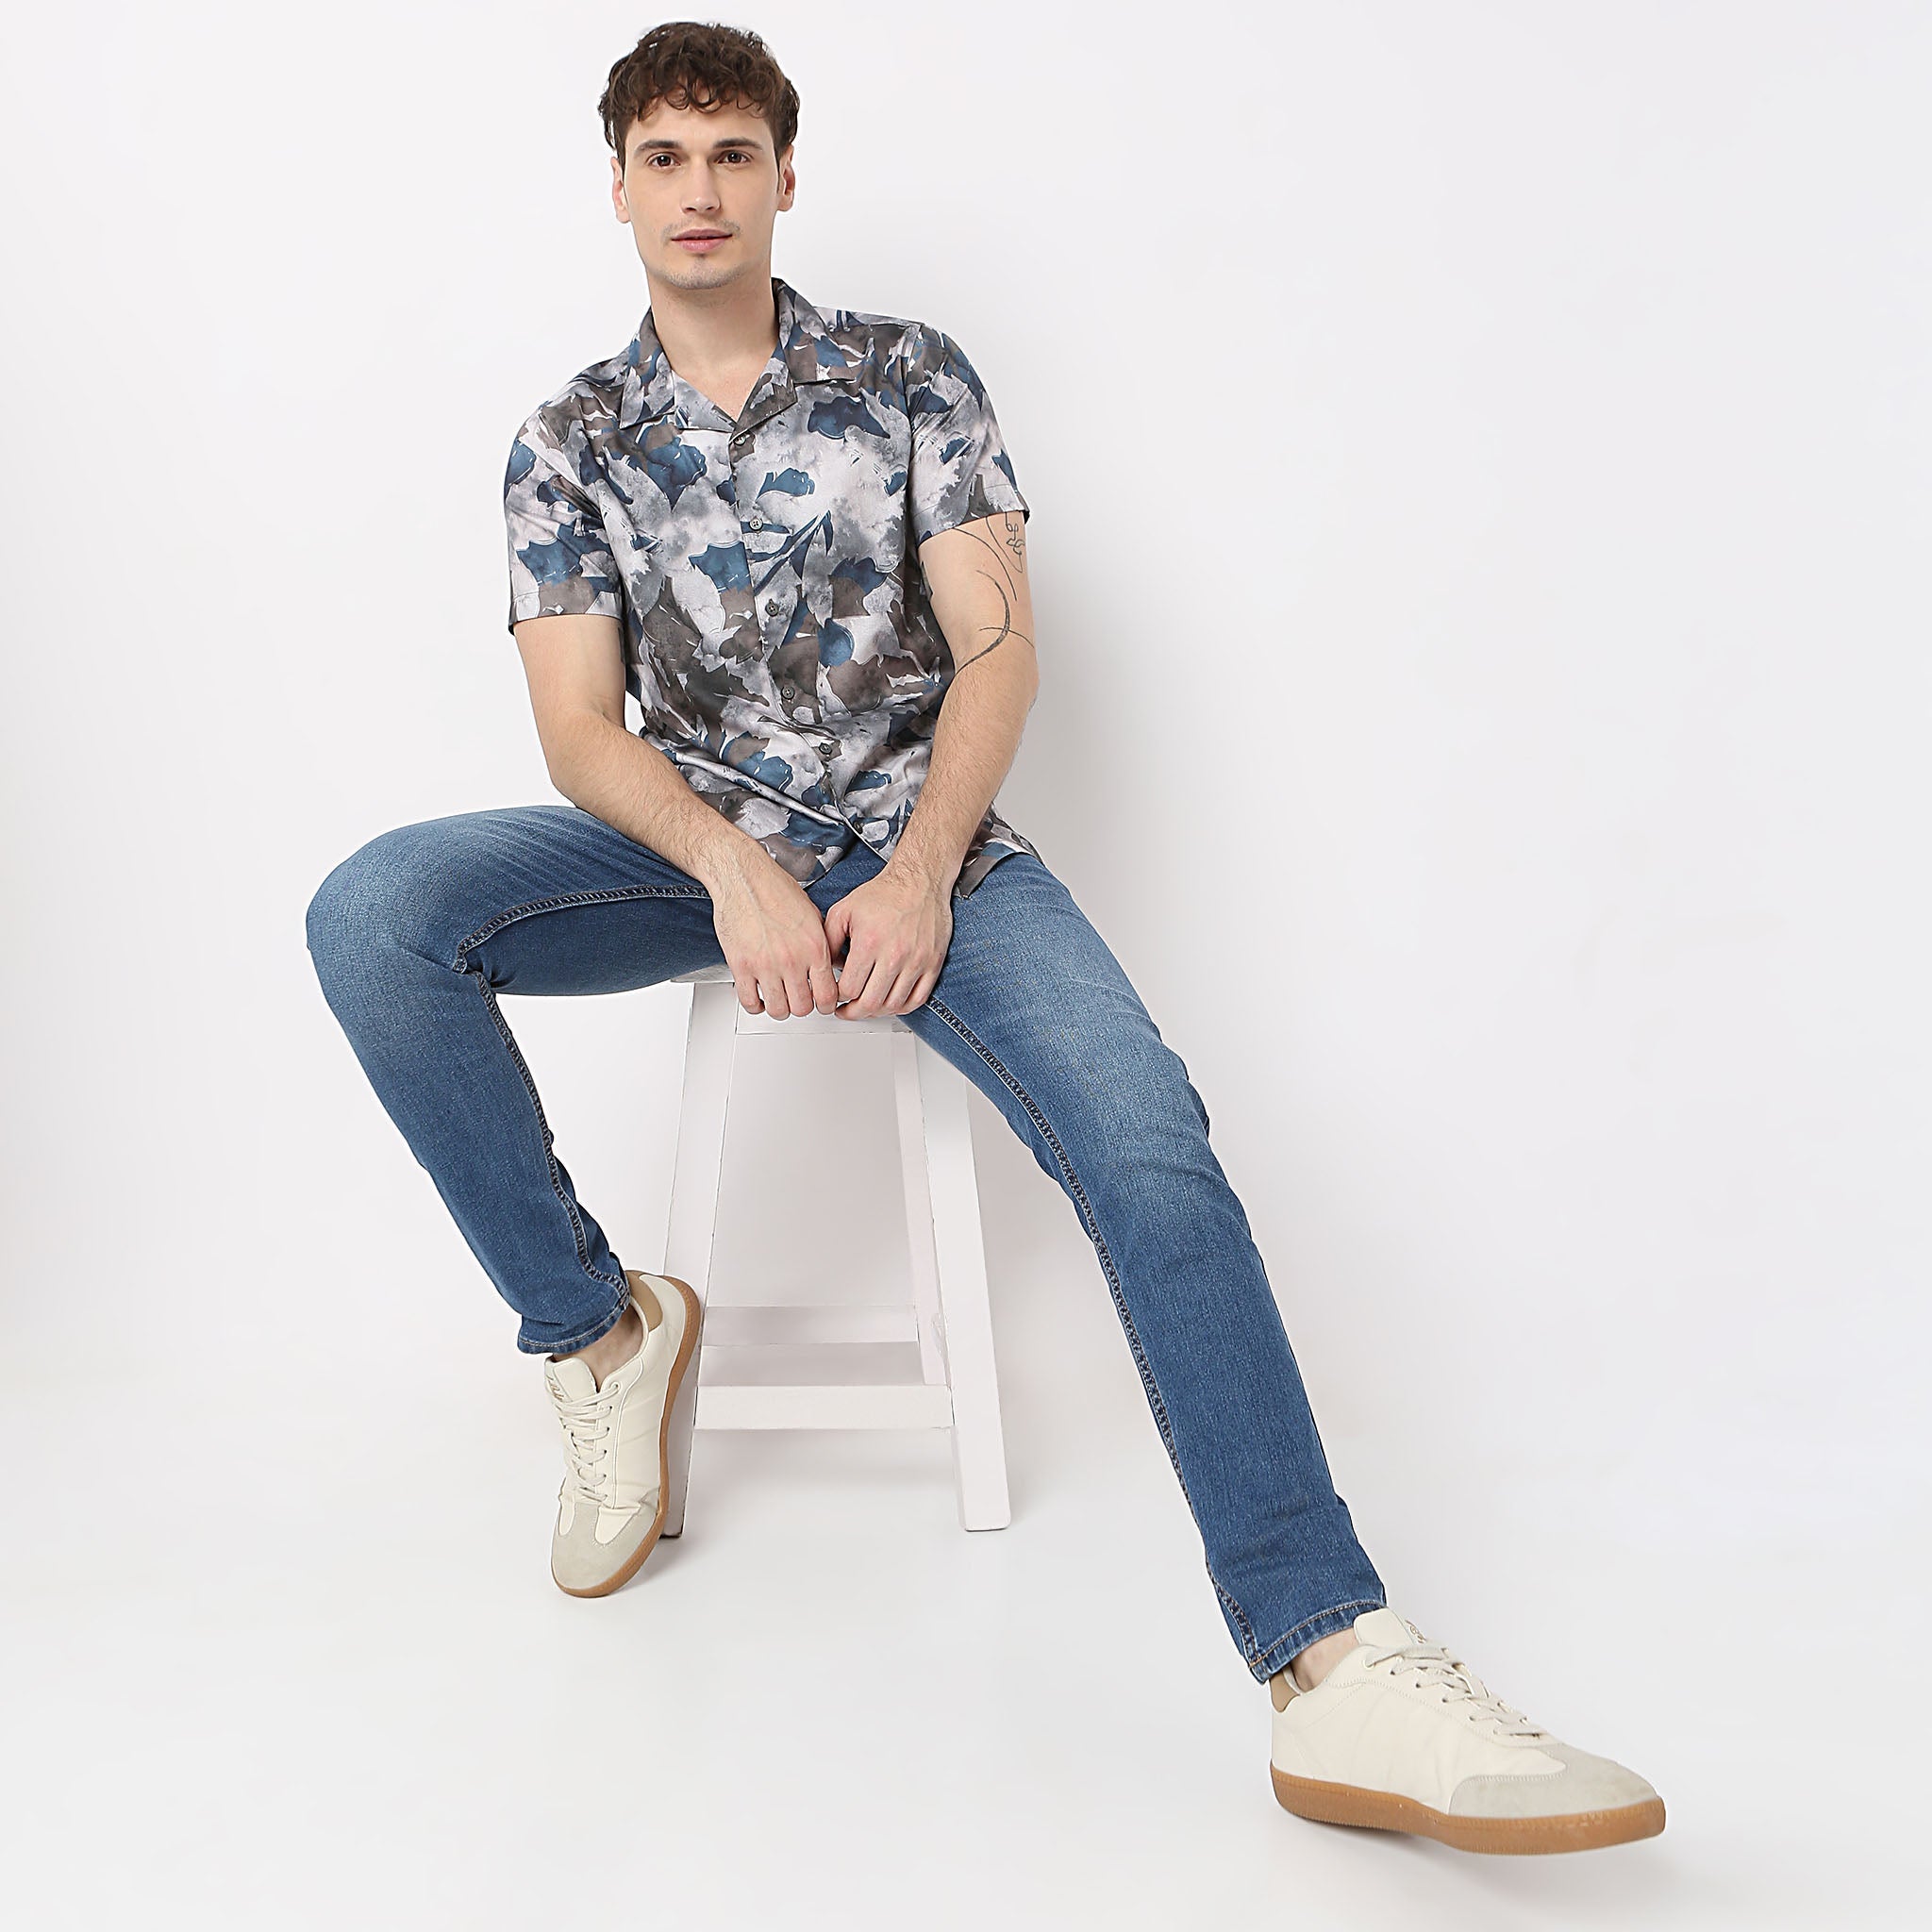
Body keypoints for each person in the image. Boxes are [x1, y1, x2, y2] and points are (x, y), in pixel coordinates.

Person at [304, 21, 1664, 1857]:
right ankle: (597, 1331)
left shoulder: (905, 377)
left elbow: (998, 650)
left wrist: (924, 869)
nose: (699, 190)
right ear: (616, 187)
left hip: (927, 849)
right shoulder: (570, 441)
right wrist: (735, 872)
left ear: (785, 176)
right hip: (692, 854)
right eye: (664, 158)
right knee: (374, 911)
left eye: (731, 153)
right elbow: (579, 732)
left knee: (1152, 1146)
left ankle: (1333, 1662)